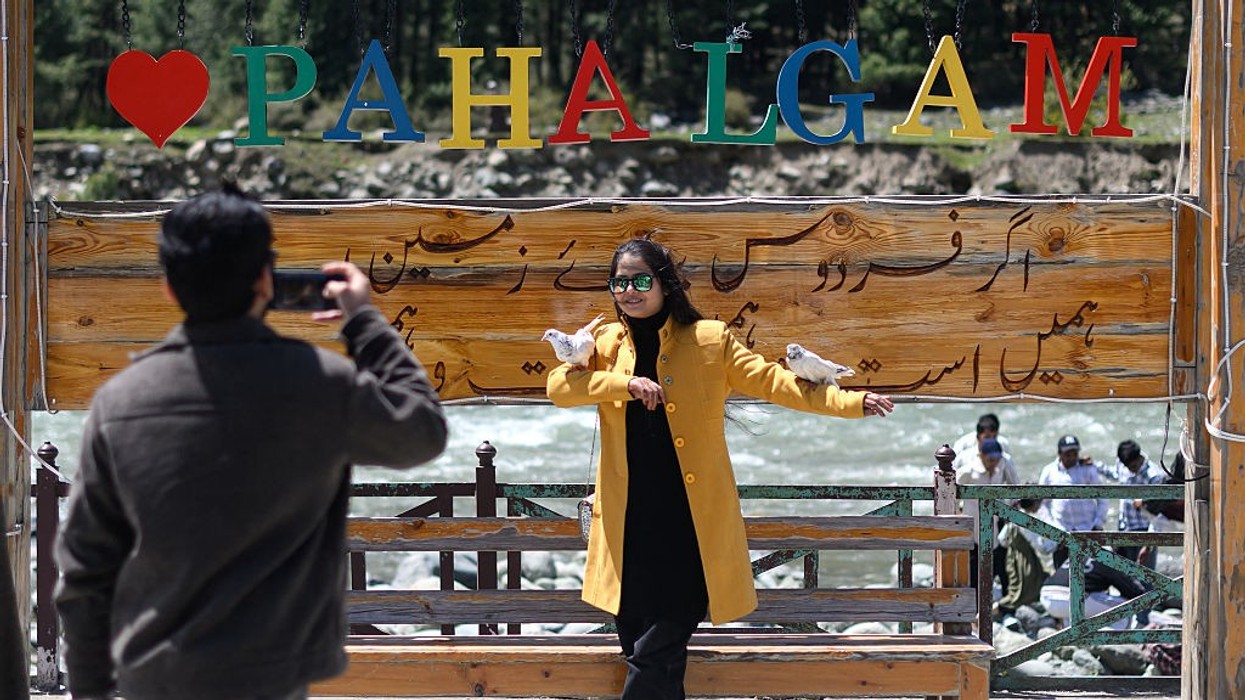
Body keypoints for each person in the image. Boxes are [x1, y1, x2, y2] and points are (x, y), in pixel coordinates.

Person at [54, 184, 449, 700]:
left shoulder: (121, 401)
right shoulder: (320, 384)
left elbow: (85, 573)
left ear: (169, 287)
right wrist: (364, 322)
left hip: (150, 677)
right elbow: (422, 430)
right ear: (265, 279)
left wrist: (90, 692)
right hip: (270, 676)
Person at [546, 238, 893, 699]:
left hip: (691, 527)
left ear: (665, 285)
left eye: (641, 280)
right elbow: (559, 387)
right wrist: (624, 383)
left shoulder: (710, 339)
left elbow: (777, 383)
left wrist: (850, 402)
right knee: (648, 657)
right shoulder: (605, 344)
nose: (629, 291)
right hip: (627, 528)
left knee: (653, 654)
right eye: (620, 282)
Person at [955, 437, 1020, 599]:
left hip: (995, 525)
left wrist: (1011, 508)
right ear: (981, 456)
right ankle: (974, 607)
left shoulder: (1002, 466)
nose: (993, 463)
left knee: (1002, 566)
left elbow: (1015, 486)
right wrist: (956, 513)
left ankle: (1006, 604)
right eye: (991, 459)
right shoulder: (969, 471)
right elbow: (951, 489)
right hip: (973, 528)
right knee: (974, 570)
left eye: (996, 460)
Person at [1038, 434, 1109, 568]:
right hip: (1062, 535)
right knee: (1063, 579)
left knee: (1092, 576)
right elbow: (1042, 504)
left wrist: (1098, 524)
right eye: (1067, 454)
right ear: (1060, 454)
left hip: (1088, 530)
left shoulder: (1087, 469)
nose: (1071, 457)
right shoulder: (1049, 472)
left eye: (1074, 453)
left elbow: (1102, 497)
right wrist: (1053, 529)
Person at [1102, 439, 1168, 570]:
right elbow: (1114, 474)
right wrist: (1094, 465)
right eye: (1127, 468)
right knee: (1124, 580)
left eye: (1132, 467)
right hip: (1124, 528)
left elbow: (1159, 515)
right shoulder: (1123, 466)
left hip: (1144, 532)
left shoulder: (1155, 477)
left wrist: (1148, 545)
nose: (1130, 471)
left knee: (1145, 580)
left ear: (1139, 458)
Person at [1039, 555, 1151, 630]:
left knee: (1091, 600)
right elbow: (1132, 592)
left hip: (1046, 596)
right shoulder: (1105, 557)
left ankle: (1072, 636)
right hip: (1071, 599)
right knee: (1128, 608)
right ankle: (1114, 643)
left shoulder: (1078, 554)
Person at [995, 498, 1055, 616]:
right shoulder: (1026, 521)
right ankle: (983, 616)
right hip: (1026, 563)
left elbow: (1002, 540)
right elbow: (1040, 547)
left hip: (1013, 561)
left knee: (1015, 591)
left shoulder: (1014, 518)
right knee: (1018, 595)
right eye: (1038, 502)